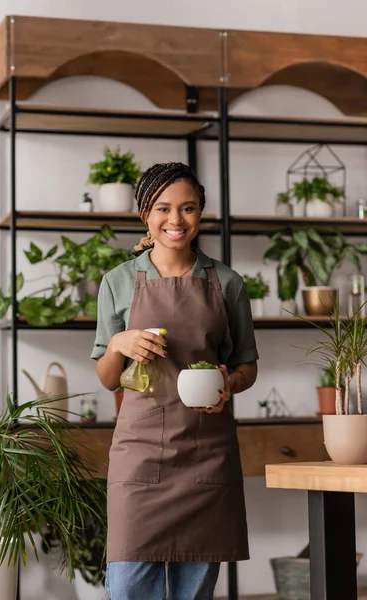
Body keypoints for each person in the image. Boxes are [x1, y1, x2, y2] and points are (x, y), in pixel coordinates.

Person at [91, 162, 259, 600]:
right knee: (127, 588)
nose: (176, 220)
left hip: (206, 456)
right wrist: (118, 346)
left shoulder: (226, 282)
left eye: (188, 208)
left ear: (200, 213)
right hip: (140, 457)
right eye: (163, 208)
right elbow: (108, 379)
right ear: (145, 213)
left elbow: (246, 365)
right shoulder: (119, 281)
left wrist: (229, 384)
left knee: (194, 595)